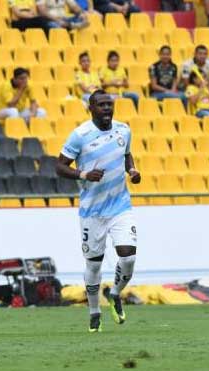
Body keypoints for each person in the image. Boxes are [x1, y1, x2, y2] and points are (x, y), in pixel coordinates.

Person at [56, 90, 140, 333]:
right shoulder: (80, 136)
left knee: (128, 257)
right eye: (101, 105)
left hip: (120, 207)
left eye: (109, 105)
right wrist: (83, 175)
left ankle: (114, 294)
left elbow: (127, 154)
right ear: (91, 108)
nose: (106, 109)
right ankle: (94, 312)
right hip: (92, 212)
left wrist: (132, 170)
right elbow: (59, 166)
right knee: (94, 265)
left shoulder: (123, 130)